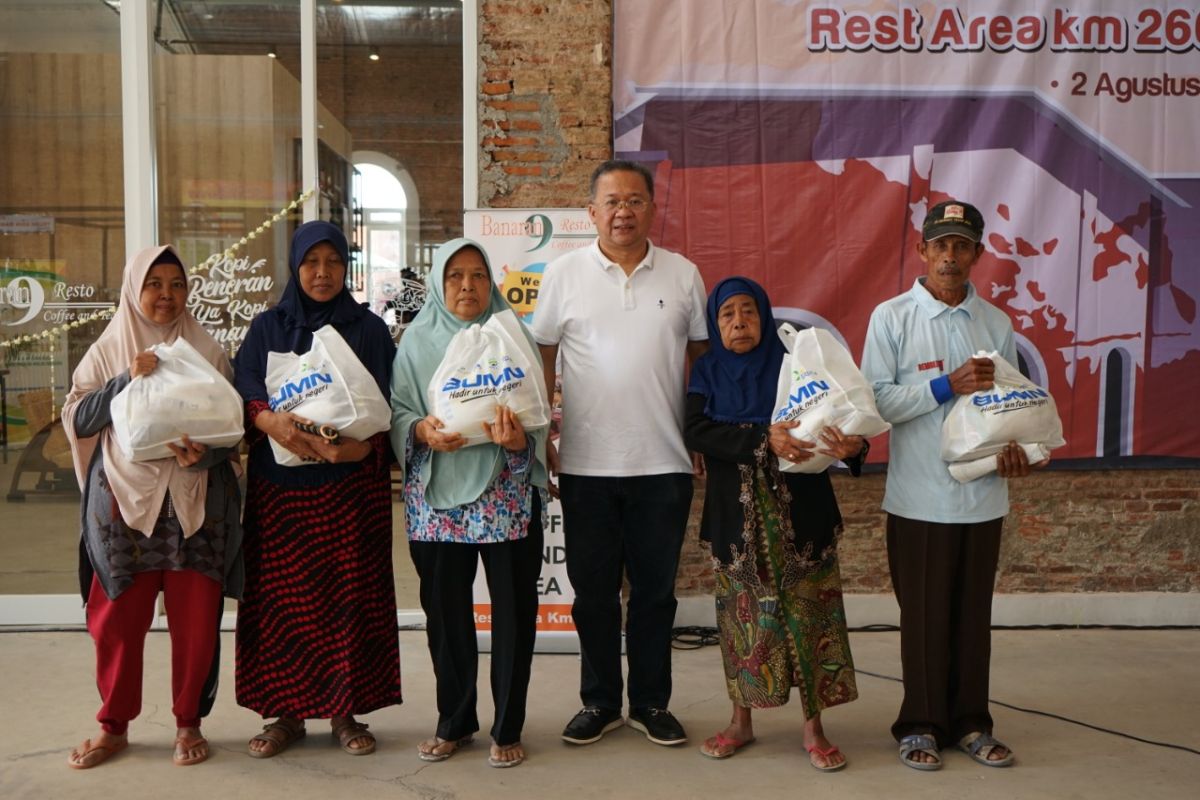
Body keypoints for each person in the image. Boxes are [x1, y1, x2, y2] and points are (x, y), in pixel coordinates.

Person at [531, 159, 708, 747]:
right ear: (591, 212)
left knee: (656, 594)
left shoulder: (683, 275)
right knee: (594, 595)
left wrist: (698, 432)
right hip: (586, 464)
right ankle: (601, 701)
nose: (623, 211)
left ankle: (652, 702)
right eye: (610, 202)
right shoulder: (563, 275)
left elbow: (701, 362)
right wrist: (544, 438)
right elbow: (544, 359)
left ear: (653, 208)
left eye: (634, 200)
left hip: (663, 463)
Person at [861, 199, 1038, 771]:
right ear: (922, 250)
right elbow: (877, 402)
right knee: (925, 617)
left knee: (970, 618)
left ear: (977, 255)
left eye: (963, 246)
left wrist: (1015, 449)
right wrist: (945, 387)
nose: (951, 257)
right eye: (941, 245)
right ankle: (919, 725)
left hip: (983, 496)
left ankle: (971, 723)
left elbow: (1004, 405)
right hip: (919, 497)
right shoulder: (892, 318)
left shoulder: (996, 324)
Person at [62, 245, 244, 768]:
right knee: (117, 619)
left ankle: (189, 723)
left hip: (194, 506)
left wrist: (206, 454)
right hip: (125, 503)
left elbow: (233, 431)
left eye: (176, 285)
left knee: (196, 620)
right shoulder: (109, 349)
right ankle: (113, 724)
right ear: (134, 290)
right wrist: (125, 379)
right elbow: (76, 417)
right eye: (154, 284)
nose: (166, 296)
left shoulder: (206, 350)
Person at [233, 220, 400, 758]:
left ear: (346, 268)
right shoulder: (268, 328)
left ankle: (346, 711)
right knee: (285, 604)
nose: (322, 273)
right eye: (311, 262)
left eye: (333, 262)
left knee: (347, 603)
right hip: (281, 494)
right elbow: (245, 393)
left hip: (350, 493)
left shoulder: (368, 329)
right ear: (295, 266)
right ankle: (286, 713)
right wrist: (271, 423)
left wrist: (351, 450)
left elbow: (388, 415)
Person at [684, 277, 864, 771]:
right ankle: (741, 721)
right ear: (715, 324)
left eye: (748, 312)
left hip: (802, 515)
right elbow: (696, 429)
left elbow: (839, 415)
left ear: (765, 318)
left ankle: (815, 728)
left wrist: (854, 447)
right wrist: (764, 437)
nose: (739, 322)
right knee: (743, 621)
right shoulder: (707, 371)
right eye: (727, 315)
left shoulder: (794, 364)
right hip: (737, 522)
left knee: (810, 617)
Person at [390, 239, 550, 768]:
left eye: (478, 276)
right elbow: (399, 412)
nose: (467, 286)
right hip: (436, 500)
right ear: (439, 282)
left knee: (513, 614)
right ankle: (454, 721)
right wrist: (419, 429)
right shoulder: (416, 342)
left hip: (505, 494)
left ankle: (508, 726)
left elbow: (539, 416)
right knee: (446, 616)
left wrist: (517, 442)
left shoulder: (514, 336)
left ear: (491, 283)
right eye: (455, 276)